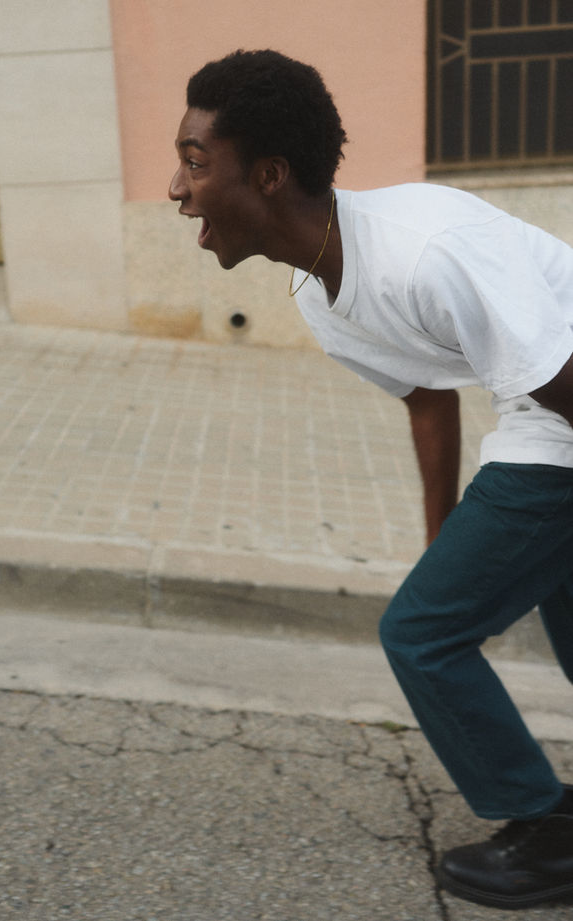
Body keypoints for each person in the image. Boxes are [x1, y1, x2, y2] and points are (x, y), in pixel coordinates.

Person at [168, 49, 573, 910]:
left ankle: (547, 832)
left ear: (268, 175)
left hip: (561, 406)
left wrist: (445, 590)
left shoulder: (423, 251)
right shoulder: (320, 293)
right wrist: (445, 547)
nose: (175, 186)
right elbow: (428, 400)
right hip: (540, 408)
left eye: (195, 162)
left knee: (420, 634)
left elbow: (559, 381)